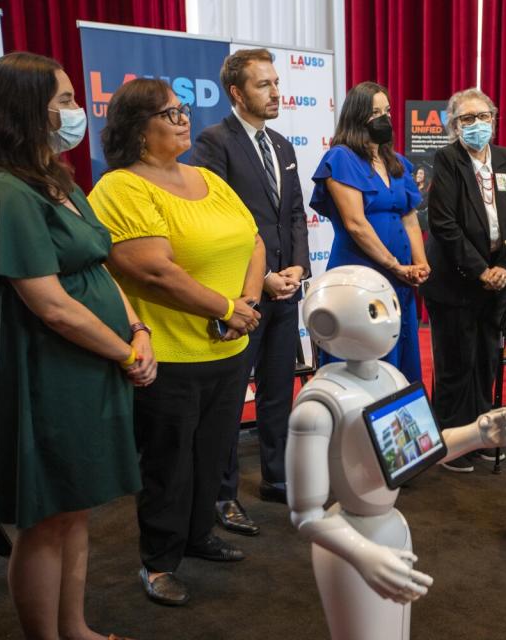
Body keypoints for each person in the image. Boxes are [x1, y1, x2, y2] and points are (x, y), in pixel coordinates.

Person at [0, 51, 155, 640]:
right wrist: (121, 351)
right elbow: (48, 303)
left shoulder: (57, 179)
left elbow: (98, 267)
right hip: (45, 367)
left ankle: (76, 629)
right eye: (65, 101)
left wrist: (137, 329)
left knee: (75, 506)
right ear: (27, 110)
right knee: (45, 518)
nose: (76, 112)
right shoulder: (3, 190)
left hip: (89, 362)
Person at [89, 78, 265, 606]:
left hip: (228, 347)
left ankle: (198, 535)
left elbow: (253, 238)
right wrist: (227, 309)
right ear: (137, 128)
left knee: (212, 454)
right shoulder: (120, 188)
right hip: (170, 356)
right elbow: (152, 273)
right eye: (169, 113)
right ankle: (159, 562)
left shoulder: (206, 176)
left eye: (183, 109)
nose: (184, 118)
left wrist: (244, 309)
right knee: (168, 464)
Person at [286, 265, 506, 640]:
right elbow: (305, 513)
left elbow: (418, 450)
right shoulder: (317, 406)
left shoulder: (391, 377)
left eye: (393, 306)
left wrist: (476, 434)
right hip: (349, 541)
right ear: (325, 322)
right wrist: (361, 554)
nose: (394, 320)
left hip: (393, 528)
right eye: (377, 311)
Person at [191, 48, 311, 534]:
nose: (276, 92)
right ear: (238, 93)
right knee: (227, 400)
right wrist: (260, 279)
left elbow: (296, 213)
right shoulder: (212, 142)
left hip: (287, 291)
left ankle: (276, 477)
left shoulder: (282, 145)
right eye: (264, 85)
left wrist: (298, 266)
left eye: (277, 83)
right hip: (243, 295)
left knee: (278, 391)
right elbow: (217, 224)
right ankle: (222, 495)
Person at [421, 88, 506, 473]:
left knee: (485, 362)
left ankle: (481, 437)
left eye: (482, 116)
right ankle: (451, 442)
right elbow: (444, 223)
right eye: (466, 119)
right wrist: (481, 270)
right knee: (455, 364)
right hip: (456, 281)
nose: (476, 125)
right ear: (453, 125)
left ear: (494, 118)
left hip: (498, 279)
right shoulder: (447, 159)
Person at [309, 81, 429, 381]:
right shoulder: (340, 158)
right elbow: (355, 223)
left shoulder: (398, 162)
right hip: (358, 276)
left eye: (387, 111)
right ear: (357, 116)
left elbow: (410, 218)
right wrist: (394, 265)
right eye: (375, 112)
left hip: (400, 279)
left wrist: (420, 263)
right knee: (362, 359)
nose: (384, 119)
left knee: (402, 360)